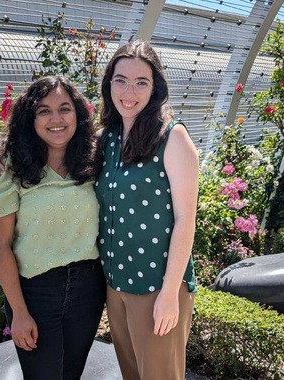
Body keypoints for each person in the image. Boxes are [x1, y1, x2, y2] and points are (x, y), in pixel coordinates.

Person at [0, 76, 105, 380]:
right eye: (44, 111)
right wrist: (19, 313)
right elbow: (1, 247)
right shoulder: (10, 168)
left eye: (65, 109)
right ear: (30, 118)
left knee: (72, 374)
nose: (56, 119)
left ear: (78, 114)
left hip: (87, 288)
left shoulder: (93, 160)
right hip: (36, 292)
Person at [94, 40, 198, 380]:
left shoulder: (172, 138)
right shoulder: (107, 139)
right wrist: (1, 154)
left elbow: (185, 220)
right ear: (109, 83)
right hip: (117, 286)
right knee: (132, 374)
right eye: (121, 80)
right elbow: (52, 141)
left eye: (142, 82)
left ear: (155, 89)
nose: (129, 91)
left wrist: (169, 294)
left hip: (157, 288)